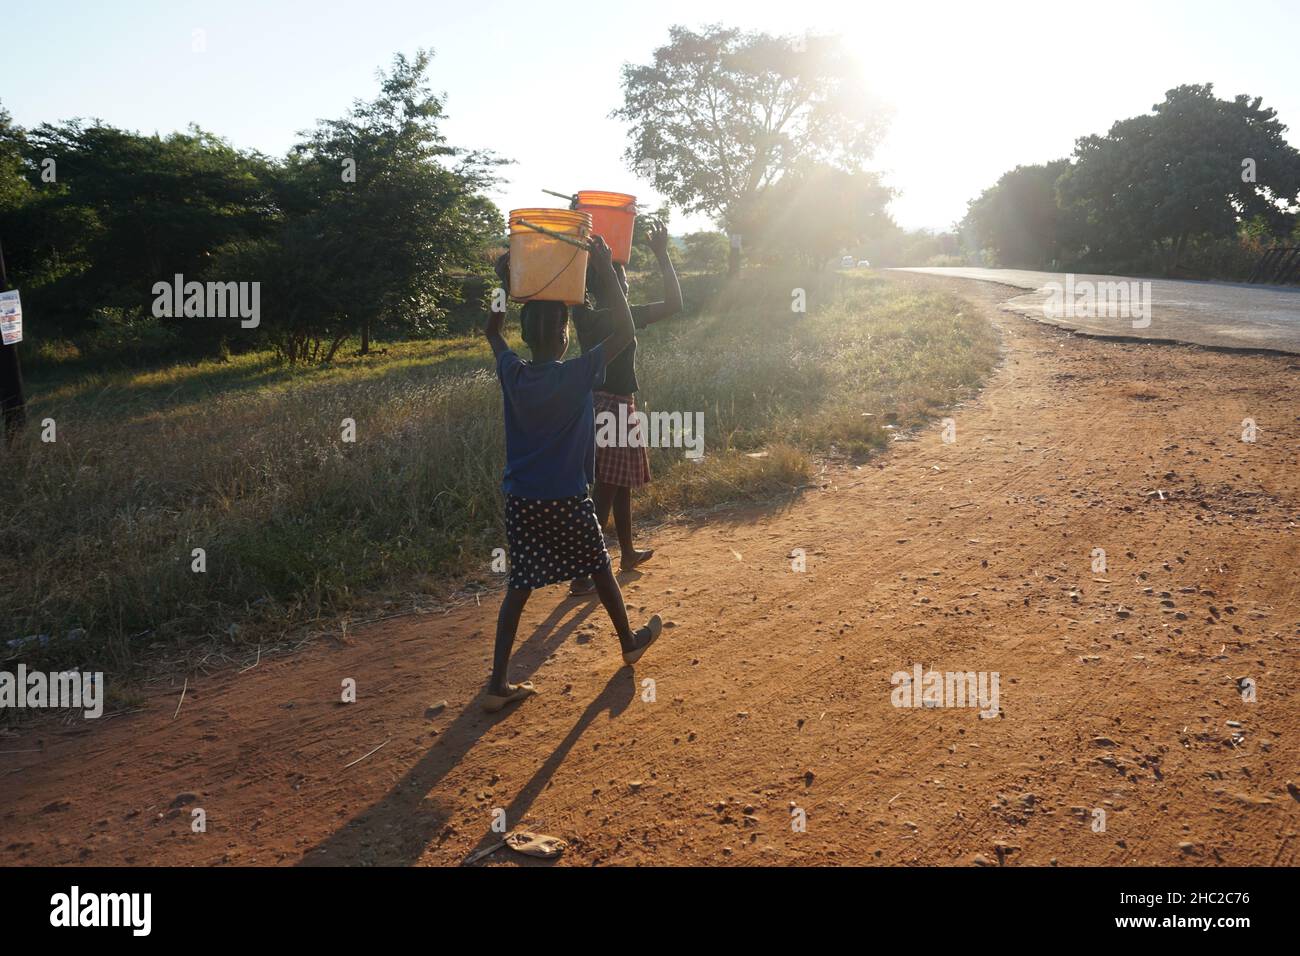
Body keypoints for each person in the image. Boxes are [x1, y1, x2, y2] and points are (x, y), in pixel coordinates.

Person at [482, 236, 662, 713]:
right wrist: (603, 267)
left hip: (521, 499)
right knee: (601, 569)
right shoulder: (578, 373)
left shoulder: (513, 373)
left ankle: (498, 682)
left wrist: (506, 281)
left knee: (519, 588)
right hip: (566, 497)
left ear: (526, 336)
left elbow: (490, 330)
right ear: (565, 333)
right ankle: (629, 641)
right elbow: (625, 328)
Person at [568, 218, 683, 595]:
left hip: (611, 404)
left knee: (619, 484)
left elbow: (672, 305)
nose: (628, 284)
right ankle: (586, 571)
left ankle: (628, 551)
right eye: (624, 280)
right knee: (606, 488)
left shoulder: (586, 316)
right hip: (610, 406)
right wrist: (662, 255)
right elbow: (674, 304)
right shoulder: (609, 318)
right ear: (614, 285)